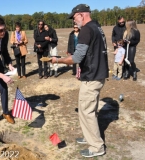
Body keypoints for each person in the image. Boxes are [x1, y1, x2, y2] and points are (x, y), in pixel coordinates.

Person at [51, 4, 108, 157]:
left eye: (74, 17)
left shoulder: (86, 30)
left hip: (91, 77)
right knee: (89, 110)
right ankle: (88, 136)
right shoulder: (97, 27)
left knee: (87, 111)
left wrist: (58, 60)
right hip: (98, 74)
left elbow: (76, 58)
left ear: (81, 15)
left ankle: (97, 147)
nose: (73, 21)